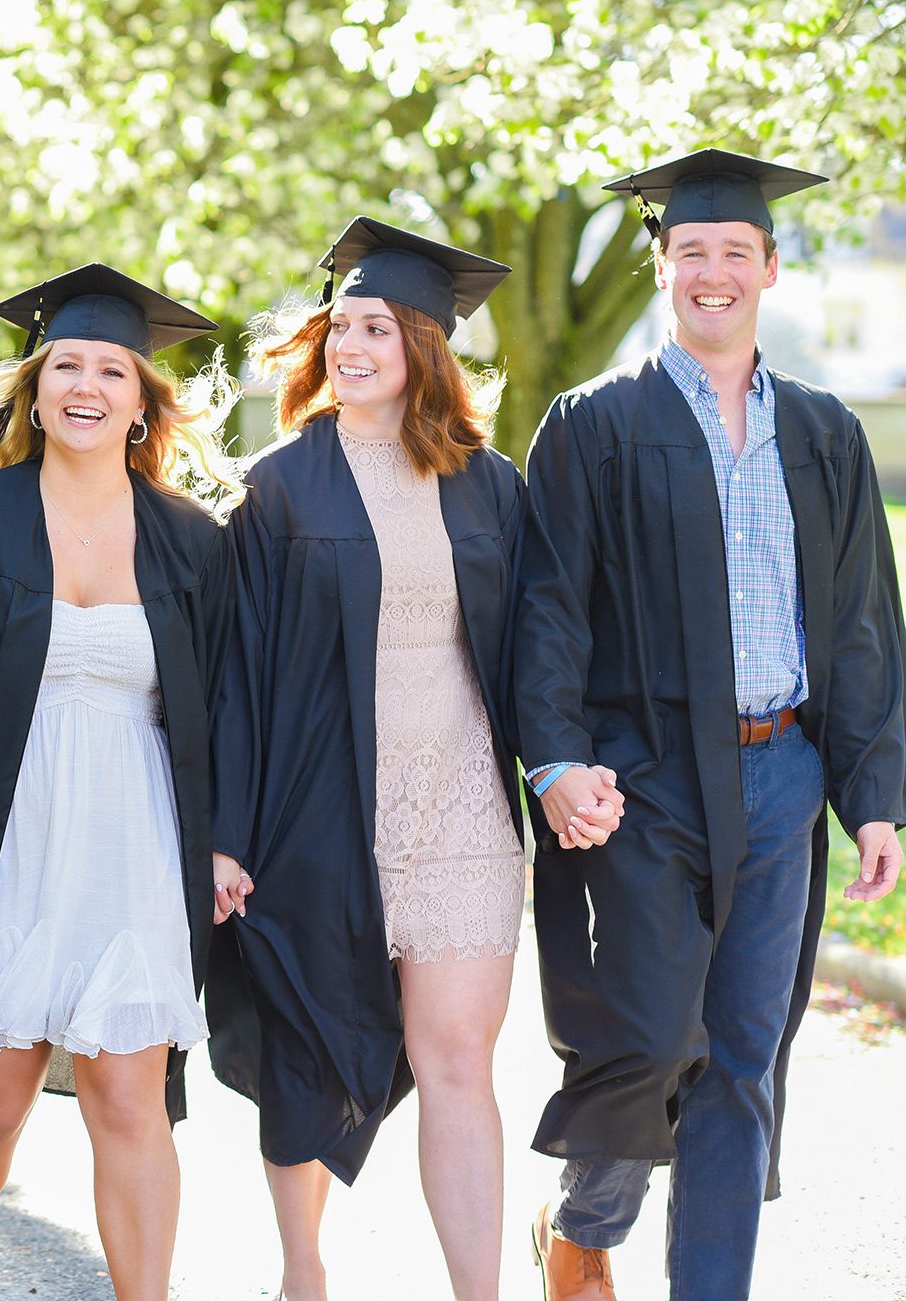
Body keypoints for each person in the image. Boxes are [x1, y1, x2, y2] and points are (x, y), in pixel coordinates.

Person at [517, 148, 906, 1301]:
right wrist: (552, 759)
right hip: (641, 779)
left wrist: (872, 797)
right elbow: (544, 611)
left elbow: (858, 629)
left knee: (742, 1058)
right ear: (661, 268)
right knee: (645, 1040)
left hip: (779, 770)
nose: (712, 271)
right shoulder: (592, 425)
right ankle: (583, 1223)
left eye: (734, 250)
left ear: (769, 270)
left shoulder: (826, 432)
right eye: (691, 250)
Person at [204, 219, 618, 1301]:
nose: (349, 343)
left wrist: (554, 767)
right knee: (305, 1062)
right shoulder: (277, 490)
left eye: (375, 326)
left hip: (461, 815)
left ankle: (474, 1292)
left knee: (453, 1067)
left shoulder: (489, 486)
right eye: (338, 323)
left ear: (422, 347)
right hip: (317, 813)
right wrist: (226, 837)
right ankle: (302, 1275)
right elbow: (236, 678)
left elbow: (536, 652)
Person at [0, 265, 240, 1301]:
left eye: (110, 370)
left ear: (139, 401)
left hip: (135, 820)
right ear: (33, 389)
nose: (86, 385)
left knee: (129, 1090)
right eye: (65, 365)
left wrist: (221, 841)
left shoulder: (190, 542)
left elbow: (223, 710)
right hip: (2, 821)